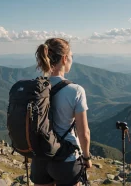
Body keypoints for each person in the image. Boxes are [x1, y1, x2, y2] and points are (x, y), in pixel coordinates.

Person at [31, 38, 92, 186]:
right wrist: (86, 157)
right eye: (71, 56)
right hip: (65, 159)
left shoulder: (35, 88)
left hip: (40, 158)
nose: (71, 59)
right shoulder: (76, 91)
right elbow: (84, 133)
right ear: (64, 59)